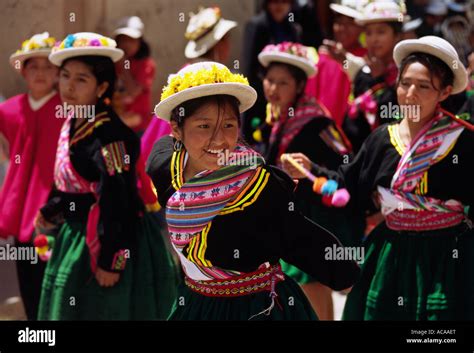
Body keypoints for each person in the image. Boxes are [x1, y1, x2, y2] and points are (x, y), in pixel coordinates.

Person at [146, 61, 360, 320]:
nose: (219, 139)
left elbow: (301, 239)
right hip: (196, 304)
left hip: (255, 308)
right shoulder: (166, 166)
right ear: (177, 129)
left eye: (228, 125)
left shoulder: (259, 187)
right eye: (203, 126)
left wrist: (347, 274)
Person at [282, 36, 474, 320]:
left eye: (423, 87)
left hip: (446, 255)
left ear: (444, 92)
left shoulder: (462, 141)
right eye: (405, 83)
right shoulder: (382, 140)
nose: (410, 94)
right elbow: (347, 187)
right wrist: (311, 172)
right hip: (390, 252)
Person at [36, 32, 177, 320]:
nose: (69, 86)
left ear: (101, 87)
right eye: (65, 76)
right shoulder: (74, 122)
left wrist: (112, 261)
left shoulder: (110, 137)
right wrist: (51, 211)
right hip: (75, 237)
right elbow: (71, 186)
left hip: (111, 242)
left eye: (81, 79)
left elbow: (119, 201)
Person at [256, 42, 360, 319]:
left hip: (313, 219)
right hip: (286, 217)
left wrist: (312, 168)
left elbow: (347, 165)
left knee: (310, 289)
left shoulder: (317, 123)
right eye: (270, 80)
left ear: (300, 86)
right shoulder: (272, 121)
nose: (273, 89)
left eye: (283, 83)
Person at [0, 32, 62, 320]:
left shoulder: (67, 109)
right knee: (28, 281)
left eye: (48, 66)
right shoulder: (8, 110)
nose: (40, 73)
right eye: (33, 66)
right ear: (23, 71)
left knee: (54, 281)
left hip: (57, 207)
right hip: (21, 208)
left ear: (58, 72)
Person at [342, 0, 405, 153]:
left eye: (381, 32)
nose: (373, 39)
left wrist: (379, 79)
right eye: (369, 33)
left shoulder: (406, 75)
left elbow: (392, 117)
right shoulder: (363, 74)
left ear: (397, 35)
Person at [242, 0, 302, 144]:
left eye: (284, 1)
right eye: (274, 1)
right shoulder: (257, 25)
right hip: (260, 98)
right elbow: (249, 68)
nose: (279, 6)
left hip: (286, 101)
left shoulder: (294, 29)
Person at [113, 16, 156, 134]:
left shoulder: (146, 65)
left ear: (140, 42)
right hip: (118, 124)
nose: (126, 44)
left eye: (131, 40)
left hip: (139, 128)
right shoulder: (112, 63)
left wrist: (123, 65)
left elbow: (133, 92)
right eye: (123, 40)